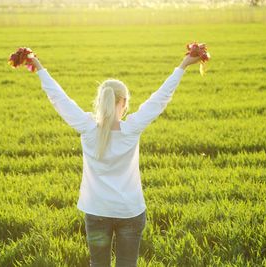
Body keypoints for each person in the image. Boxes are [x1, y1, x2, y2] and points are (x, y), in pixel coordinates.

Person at [29, 53, 201, 267]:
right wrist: (183, 65)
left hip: (96, 211)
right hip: (129, 211)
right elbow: (160, 98)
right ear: (124, 103)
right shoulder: (131, 129)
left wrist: (39, 67)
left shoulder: (87, 127)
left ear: (100, 102)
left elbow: (59, 98)